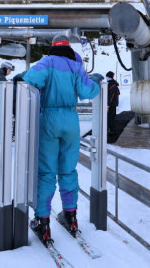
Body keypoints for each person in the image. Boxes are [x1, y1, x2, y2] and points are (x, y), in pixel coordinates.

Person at [24, 34, 102, 246]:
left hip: (49, 118)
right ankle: (71, 217)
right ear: (68, 47)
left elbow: (30, 79)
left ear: (53, 47)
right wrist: (95, 81)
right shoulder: (76, 65)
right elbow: (88, 91)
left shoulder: (47, 62)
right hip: (71, 120)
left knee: (47, 172)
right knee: (68, 170)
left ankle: (43, 222)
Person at [106, 71, 120, 139]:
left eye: (107, 77)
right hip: (113, 104)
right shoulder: (113, 84)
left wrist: (108, 104)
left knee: (110, 118)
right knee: (111, 117)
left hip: (111, 104)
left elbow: (110, 96)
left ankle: (112, 131)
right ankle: (111, 130)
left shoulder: (112, 85)